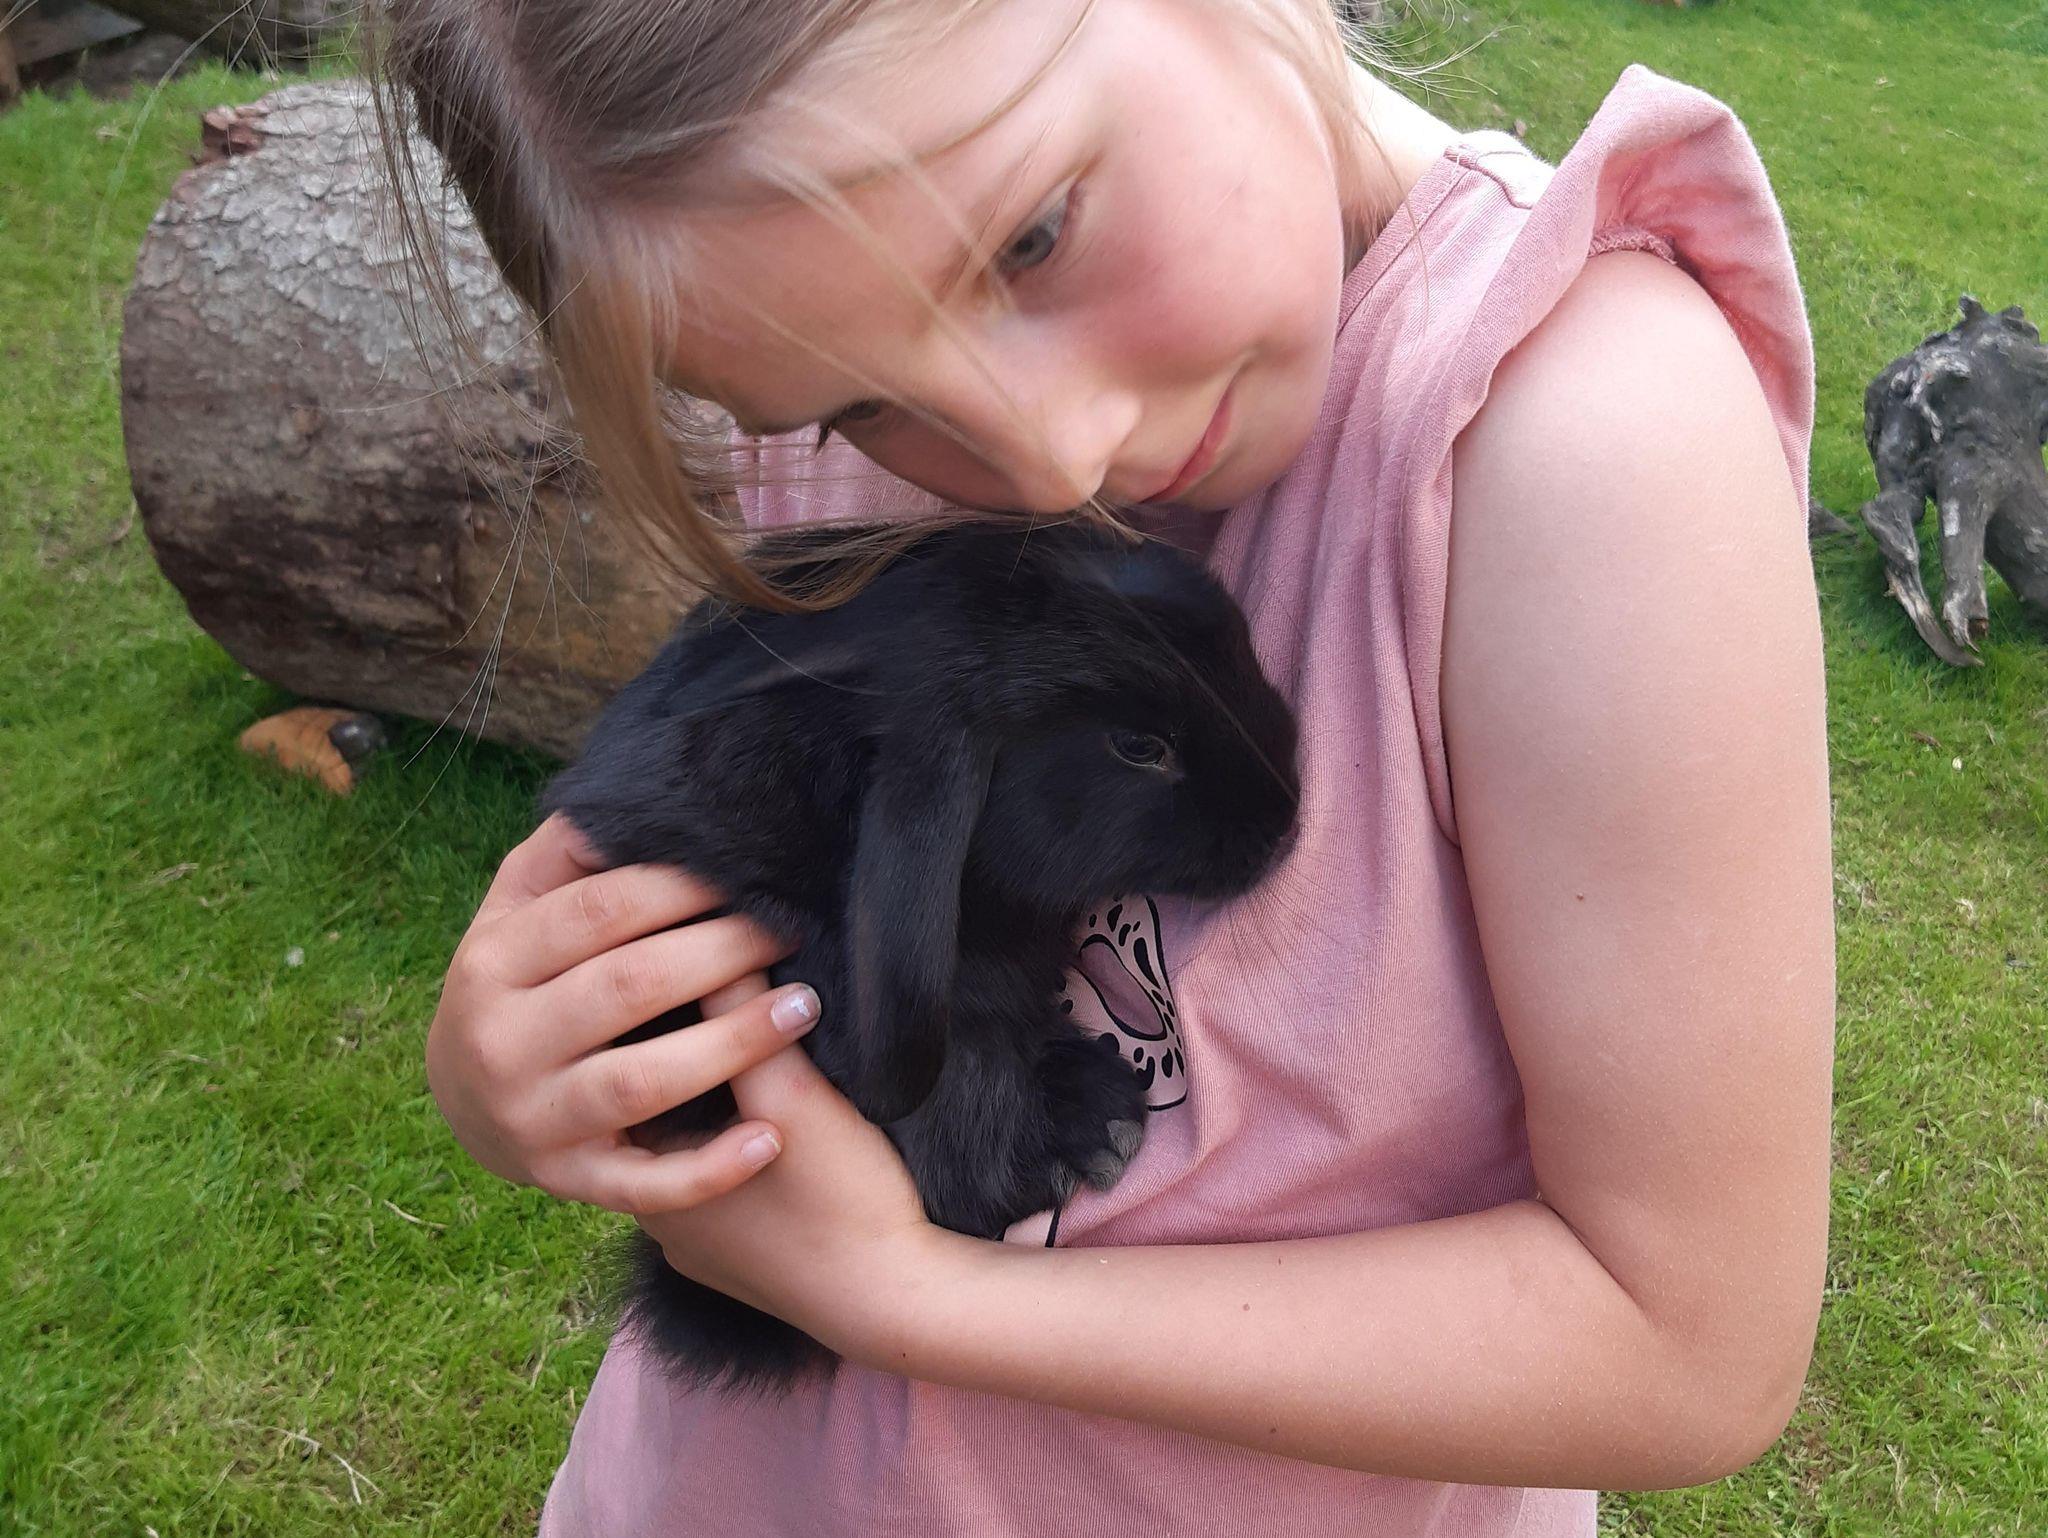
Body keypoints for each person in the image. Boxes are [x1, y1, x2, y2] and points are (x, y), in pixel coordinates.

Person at [380, 2, 1836, 1532]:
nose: (1049, 463)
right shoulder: (842, 370)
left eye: (1031, 238)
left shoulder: (1586, 446)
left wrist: (908, 1294)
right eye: (854, 407)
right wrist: (529, 1070)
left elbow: (1685, 1344)